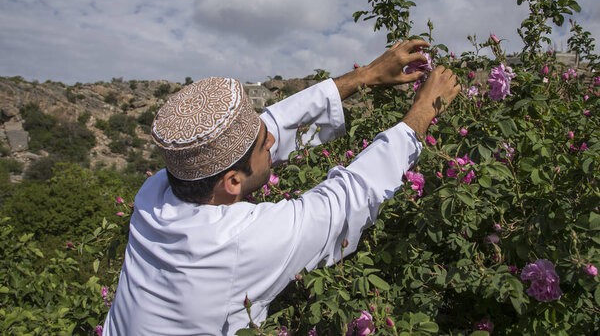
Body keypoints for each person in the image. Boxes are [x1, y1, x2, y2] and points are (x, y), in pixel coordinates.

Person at [102, 39, 460, 335]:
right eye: (264, 145)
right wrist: (423, 110)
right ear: (231, 182)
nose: (273, 137)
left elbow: (273, 122)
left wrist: (364, 76)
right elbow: (347, 199)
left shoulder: (158, 190)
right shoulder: (236, 243)